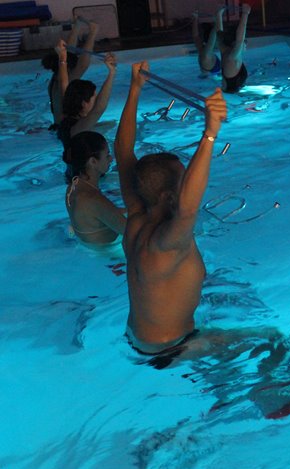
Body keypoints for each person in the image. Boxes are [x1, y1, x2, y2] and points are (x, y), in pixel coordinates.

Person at [115, 61, 227, 355]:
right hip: (172, 349)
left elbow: (123, 152)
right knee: (273, 341)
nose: (187, 186)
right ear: (167, 197)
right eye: (183, 182)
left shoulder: (136, 218)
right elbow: (188, 210)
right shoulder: (167, 243)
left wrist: (135, 88)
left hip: (139, 339)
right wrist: (209, 134)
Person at [64, 131, 126, 247]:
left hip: (89, 247)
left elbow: (101, 214)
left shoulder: (73, 187)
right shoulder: (92, 199)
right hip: (108, 252)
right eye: (107, 155)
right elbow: (129, 231)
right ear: (93, 161)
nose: (111, 158)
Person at [55, 39, 116, 151]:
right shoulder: (78, 128)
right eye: (94, 98)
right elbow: (99, 109)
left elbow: (63, 84)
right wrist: (112, 73)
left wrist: (62, 57)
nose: (97, 100)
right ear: (84, 104)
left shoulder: (66, 118)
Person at [41, 17, 99, 128]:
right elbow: (83, 65)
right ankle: (86, 27)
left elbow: (69, 53)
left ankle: (78, 25)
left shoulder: (54, 80)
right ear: (68, 69)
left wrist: (77, 26)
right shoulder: (64, 81)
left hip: (59, 126)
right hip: (67, 128)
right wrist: (93, 33)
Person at [194, 5, 251, 92]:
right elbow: (238, 40)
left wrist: (245, 13)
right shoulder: (230, 58)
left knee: (222, 40)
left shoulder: (229, 56)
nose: (246, 45)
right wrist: (245, 13)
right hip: (231, 77)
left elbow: (237, 38)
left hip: (231, 75)